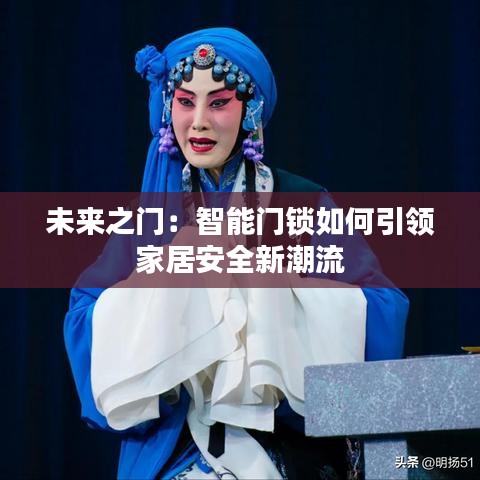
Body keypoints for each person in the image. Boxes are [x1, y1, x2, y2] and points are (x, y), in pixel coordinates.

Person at [64, 27, 409, 479]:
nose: (198, 121)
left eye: (219, 102)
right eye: (185, 102)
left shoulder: (302, 203)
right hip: (176, 445)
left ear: (252, 111)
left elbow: (381, 309)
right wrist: (160, 303)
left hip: (284, 442)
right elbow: (84, 314)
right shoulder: (151, 214)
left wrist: (272, 293)